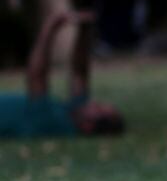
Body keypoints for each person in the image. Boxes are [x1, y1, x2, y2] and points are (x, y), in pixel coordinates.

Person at [0, 11, 124, 139]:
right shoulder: (71, 113)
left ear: (88, 126)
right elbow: (79, 73)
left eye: (98, 108)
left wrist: (50, 27)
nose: (93, 103)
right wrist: (84, 30)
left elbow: (37, 76)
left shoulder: (53, 124)